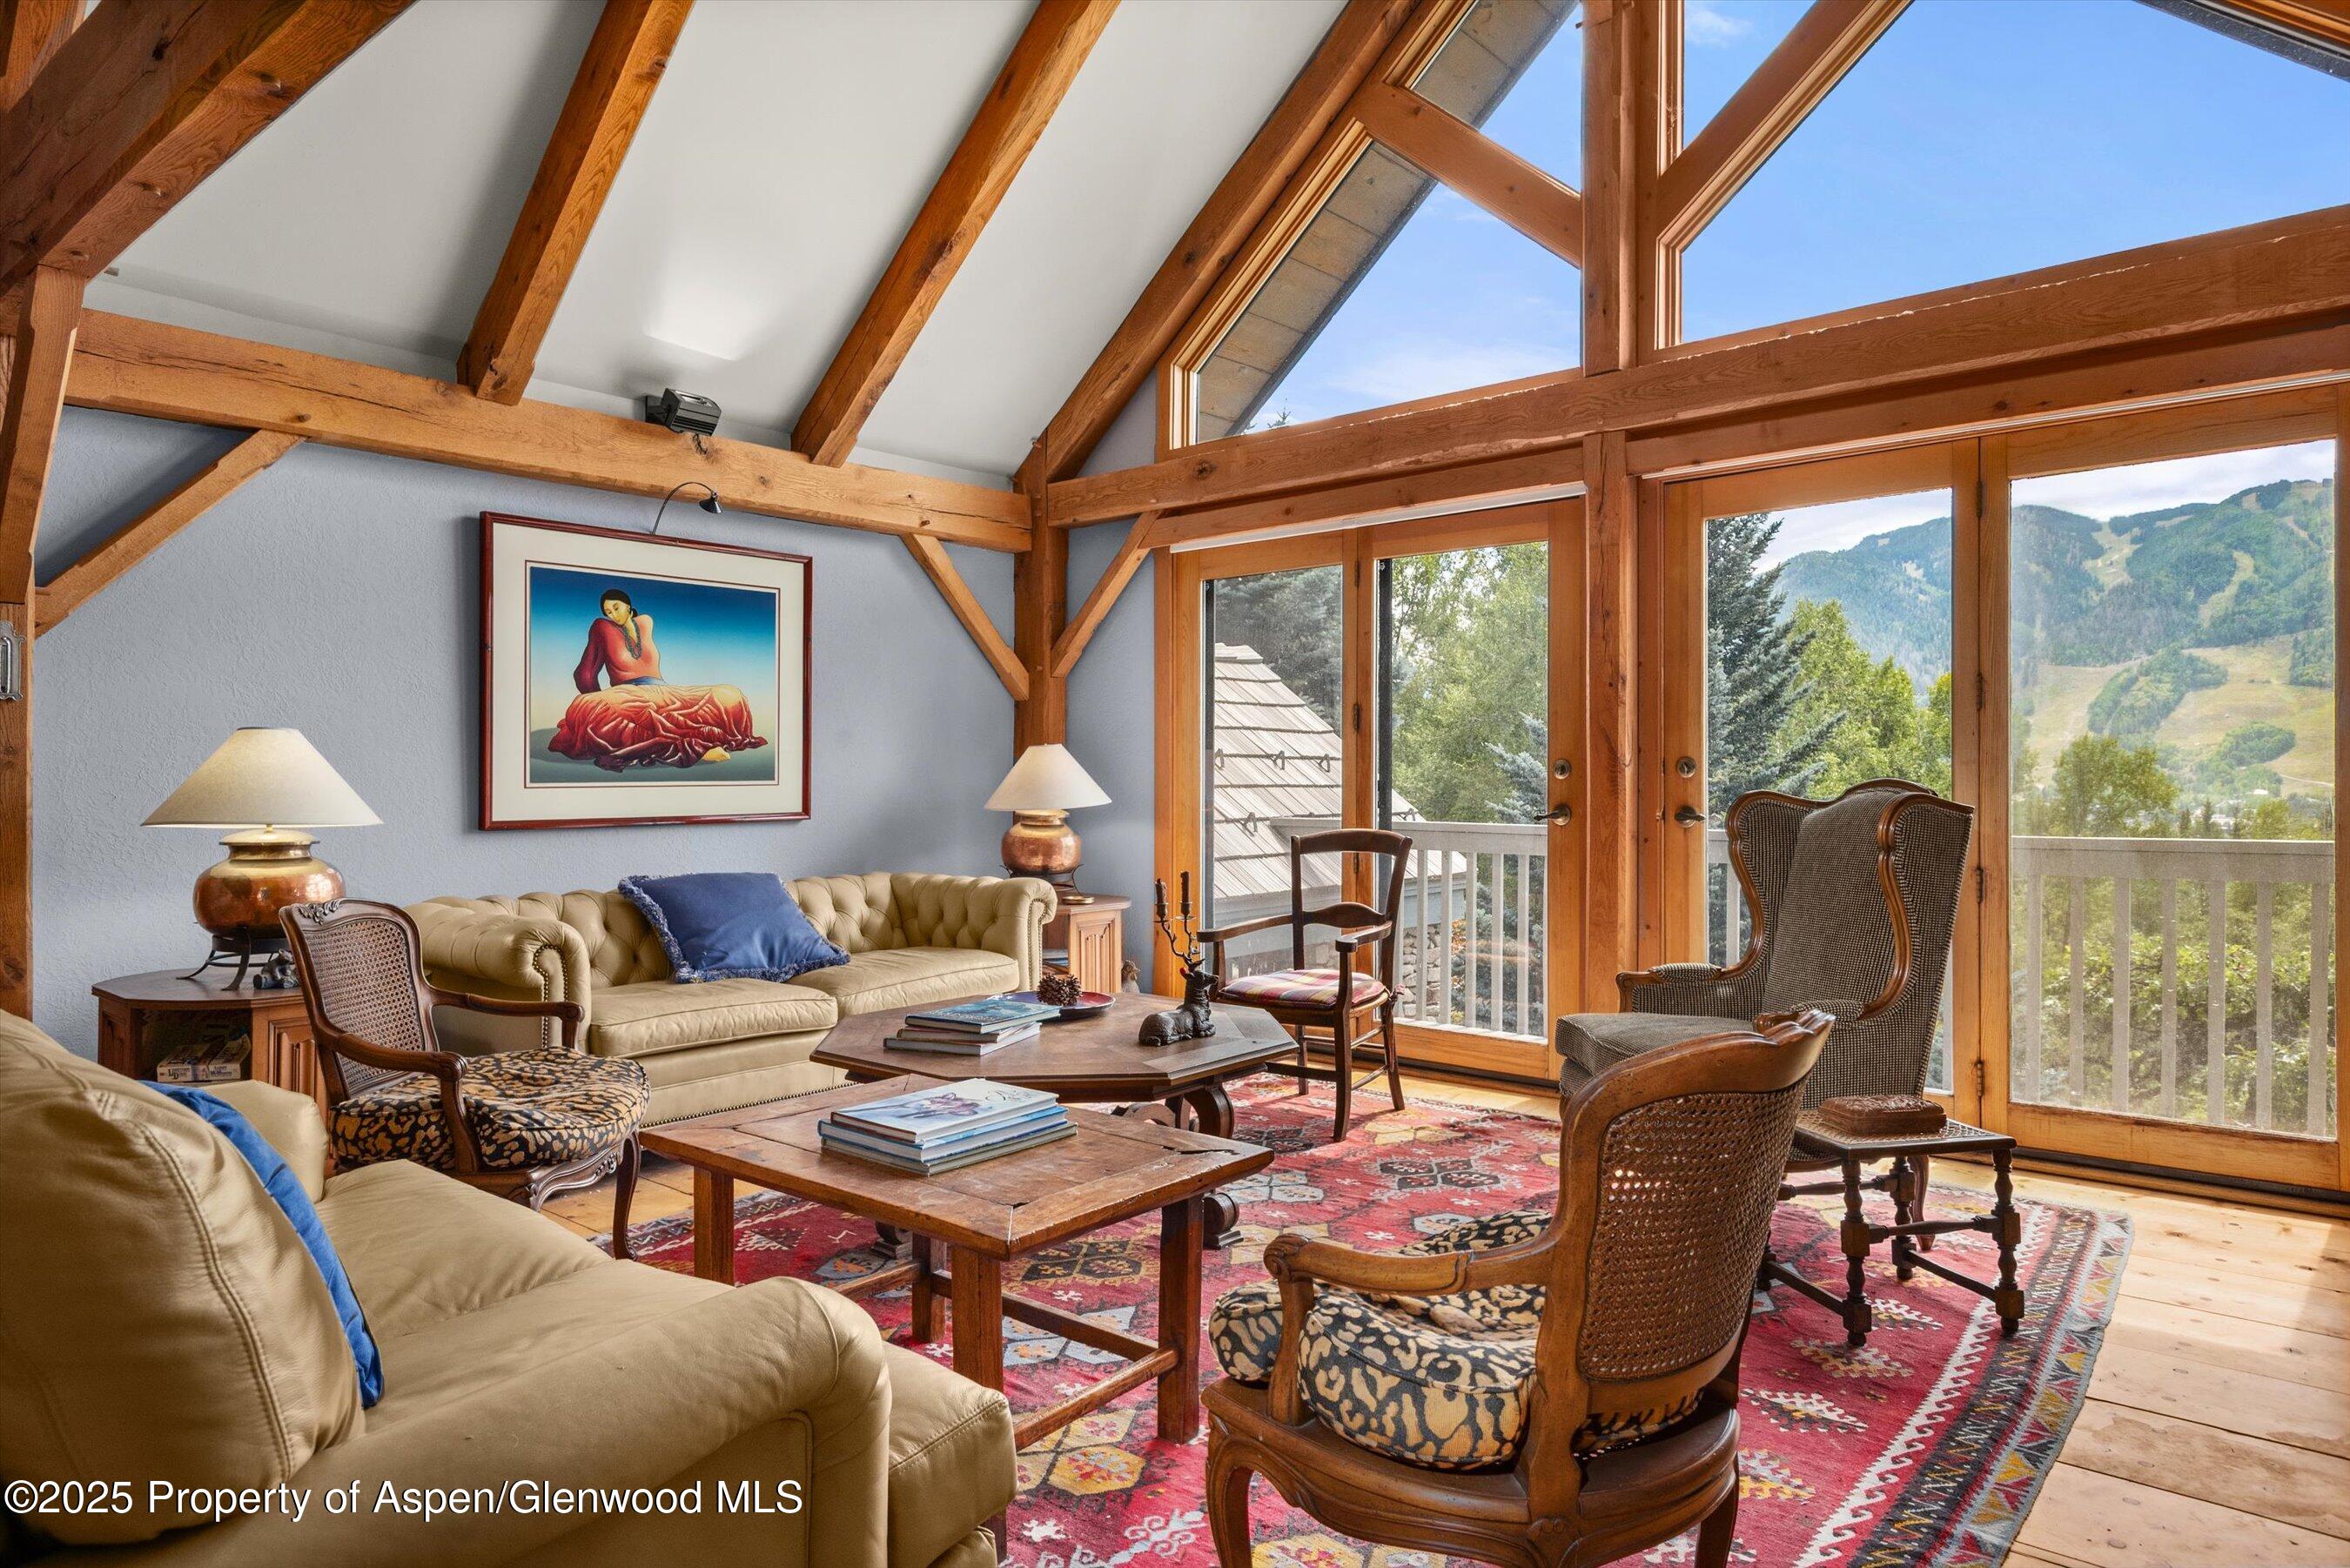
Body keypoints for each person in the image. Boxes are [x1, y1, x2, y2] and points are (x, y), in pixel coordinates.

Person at [548, 586, 767, 771]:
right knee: (594, 707)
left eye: (616, 607)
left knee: (729, 694)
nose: (613, 615)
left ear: (627, 604)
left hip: (663, 690)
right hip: (627, 692)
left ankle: (701, 741)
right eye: (608, 612)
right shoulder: (602, 627)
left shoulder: (646, 622)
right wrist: (601, 699)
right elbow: (584, 674)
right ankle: (698, 748)